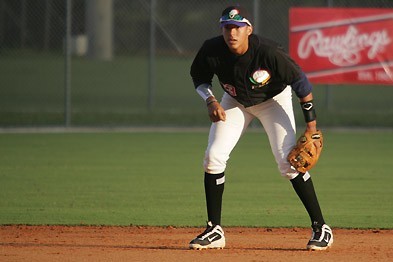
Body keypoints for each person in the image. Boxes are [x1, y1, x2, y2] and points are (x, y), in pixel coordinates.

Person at [189, 5, 333, 251]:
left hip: (272, 101)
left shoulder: (268, 52)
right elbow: (199, 77)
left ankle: (321, 227)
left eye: (237, 27)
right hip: (235, 101)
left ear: (248, 29)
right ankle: (214, 229)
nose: (231, 33)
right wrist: (210, 100)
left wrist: (312, 128)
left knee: (288, 163)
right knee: (213, 158)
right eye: (227, 28)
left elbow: (302, 84)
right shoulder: (212, 49)